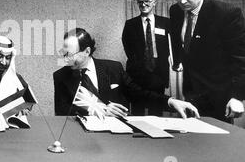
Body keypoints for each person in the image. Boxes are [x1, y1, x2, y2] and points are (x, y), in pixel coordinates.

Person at [54, 28, 199, 119]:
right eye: (64, 54)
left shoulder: (113, 68)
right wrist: (98, 109)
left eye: (70, 54)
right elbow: (62, 112)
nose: (66, 59)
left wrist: (170, 101)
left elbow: (139, 94)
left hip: (117, 137)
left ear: (87, 51)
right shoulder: (60, 76)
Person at [170, 0, 245, 121]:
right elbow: (179, 40)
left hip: (218, 95)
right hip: (190, 91)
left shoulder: (227, 14)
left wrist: (237, 96)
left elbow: (241, 59)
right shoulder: (175, 11)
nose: (183, 1)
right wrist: (178, 61)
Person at [122, 0, 170, 116]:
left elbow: (170, 47)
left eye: (147, 1)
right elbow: (128, 48)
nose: (144, 4)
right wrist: (139, 65)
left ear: (154, 2)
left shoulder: (165, 23)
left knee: (157, 110)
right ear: (137, 3)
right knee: (138, 111)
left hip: (158, 72)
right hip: (138, 73)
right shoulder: (130, 24)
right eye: (140, 2)